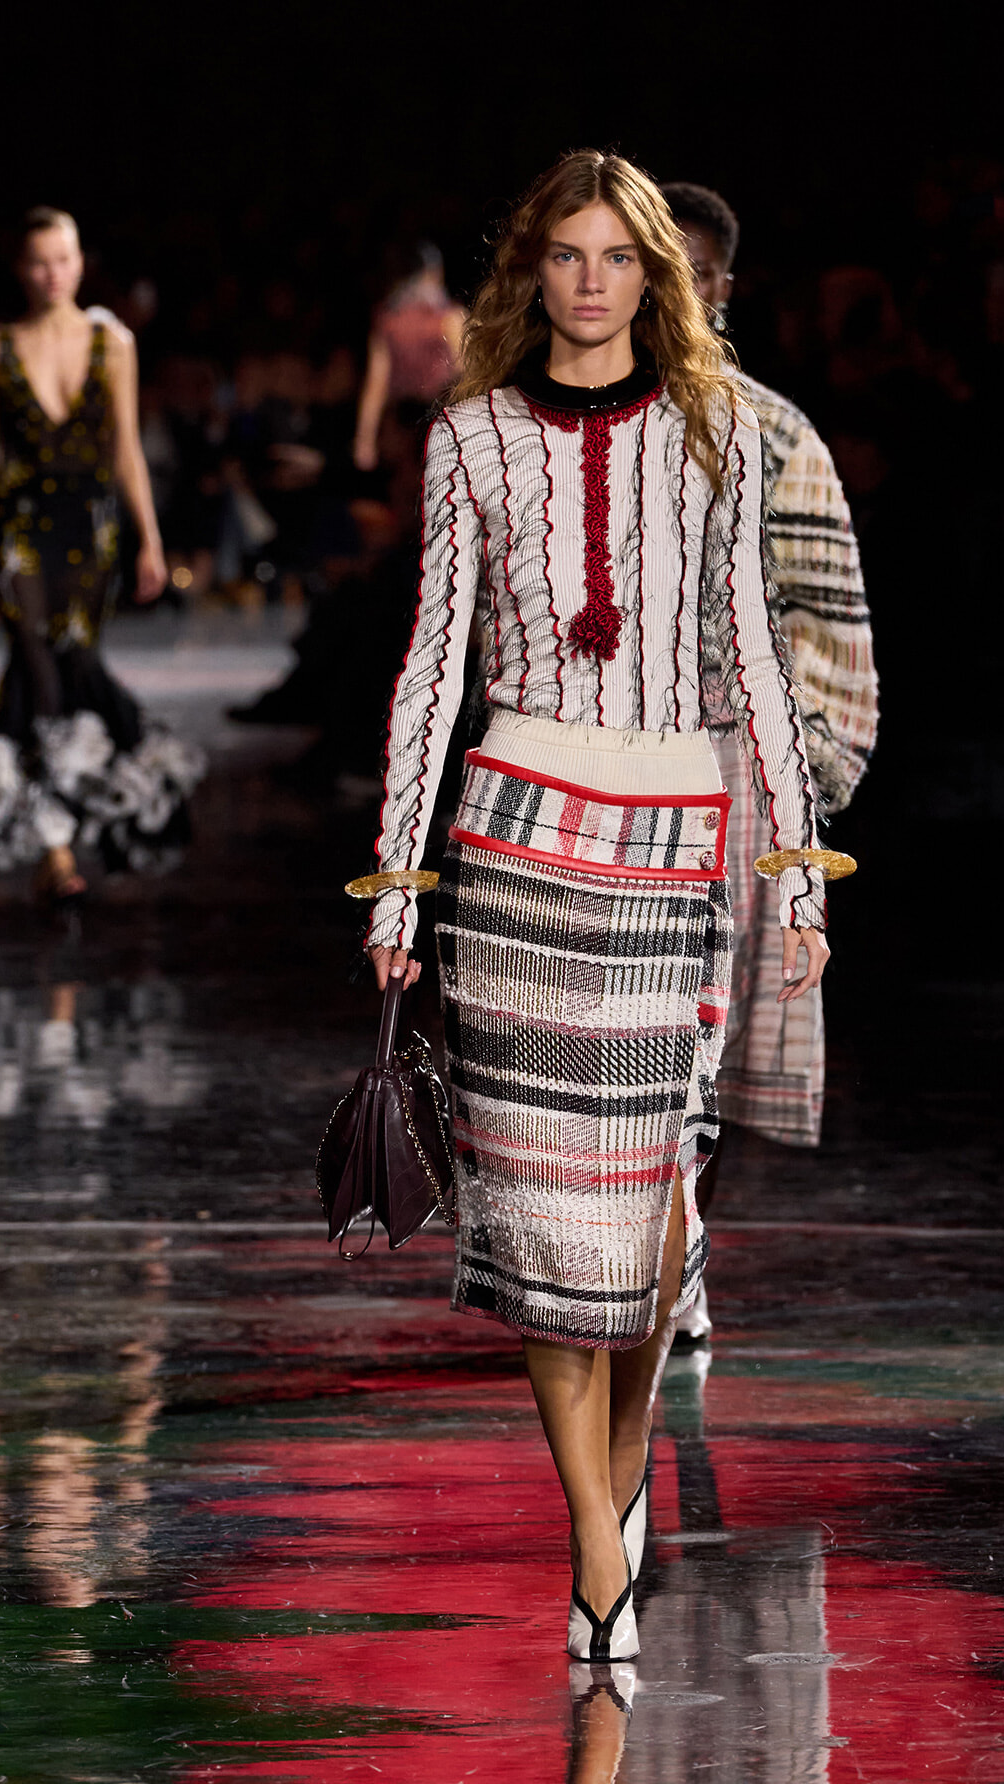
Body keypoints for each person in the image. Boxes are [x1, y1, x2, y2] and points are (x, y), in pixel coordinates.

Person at [363, 151, 847, 1662]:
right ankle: (595, 1538)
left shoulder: (718, 434)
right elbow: (432, 667)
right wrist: (399, 875)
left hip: (669, 841)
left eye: (616, 256)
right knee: (544, 1222)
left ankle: (615, 1498)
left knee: (641, 1230)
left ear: (655, 273)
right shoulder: (472, 439)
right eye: (565, 255)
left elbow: (755, 660)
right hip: (512, 843)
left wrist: (792, 856)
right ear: (534, 272)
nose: (590, 281)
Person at [659, 184, 878, 1341]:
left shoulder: (777, 434)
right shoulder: (561, 426)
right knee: (622, 1036)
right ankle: (649, 1263)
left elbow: (831, 620)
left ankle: (681, 1259)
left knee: (715, 1039)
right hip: (597, 758)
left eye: (688, 275)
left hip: (738, 764)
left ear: (722, 289)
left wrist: (814, 782)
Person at [0, 208, 205, 903]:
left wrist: (152, 541)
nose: (52, 273)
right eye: (39, 261)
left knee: (72, 663)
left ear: (80, 263)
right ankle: (55, 846)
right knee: (40, 667)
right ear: (22, 269)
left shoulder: (114, 343)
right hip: (17, 527)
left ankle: (59, 825)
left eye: (63, 259)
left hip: (91, 533)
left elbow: (127, 448)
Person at [352, 243, 466, 470]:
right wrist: (365, 439)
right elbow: (467, 372)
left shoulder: (389, 321)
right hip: (427, 425)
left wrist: (365, 439)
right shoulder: (448, 318)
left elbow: (377, 384)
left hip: (427, 423)